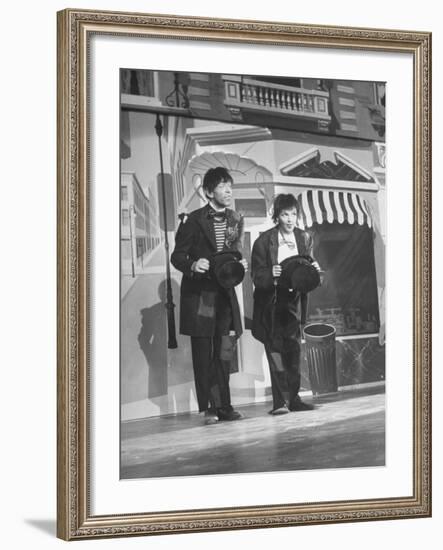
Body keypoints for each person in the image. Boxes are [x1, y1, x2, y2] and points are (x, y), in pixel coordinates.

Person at [171, 167, 248, 425]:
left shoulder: (236, 219)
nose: (228, 191)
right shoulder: (193, 220)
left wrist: (241, 264)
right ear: (208, 191)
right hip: (202, 298)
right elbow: (177, 256)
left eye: (230, 186)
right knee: (203, 354)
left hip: (225, 296)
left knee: (224, 353)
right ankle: (209, 408)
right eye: (222, 186)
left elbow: (235, 252)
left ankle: (224, 405)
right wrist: (193, 265)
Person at [251, 193, 321, 415]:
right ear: (277, 216)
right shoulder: (264, 241)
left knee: (293, 351)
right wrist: (270, 273)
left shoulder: (305, 238)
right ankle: (280, 402)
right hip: (272, 302)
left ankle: (295, 399)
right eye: (284, 214)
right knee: (275, 352)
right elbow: (255, 275)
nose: (290, 219)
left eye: (293, 214)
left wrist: (316, 272)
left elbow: (308, 267)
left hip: (294, 301)